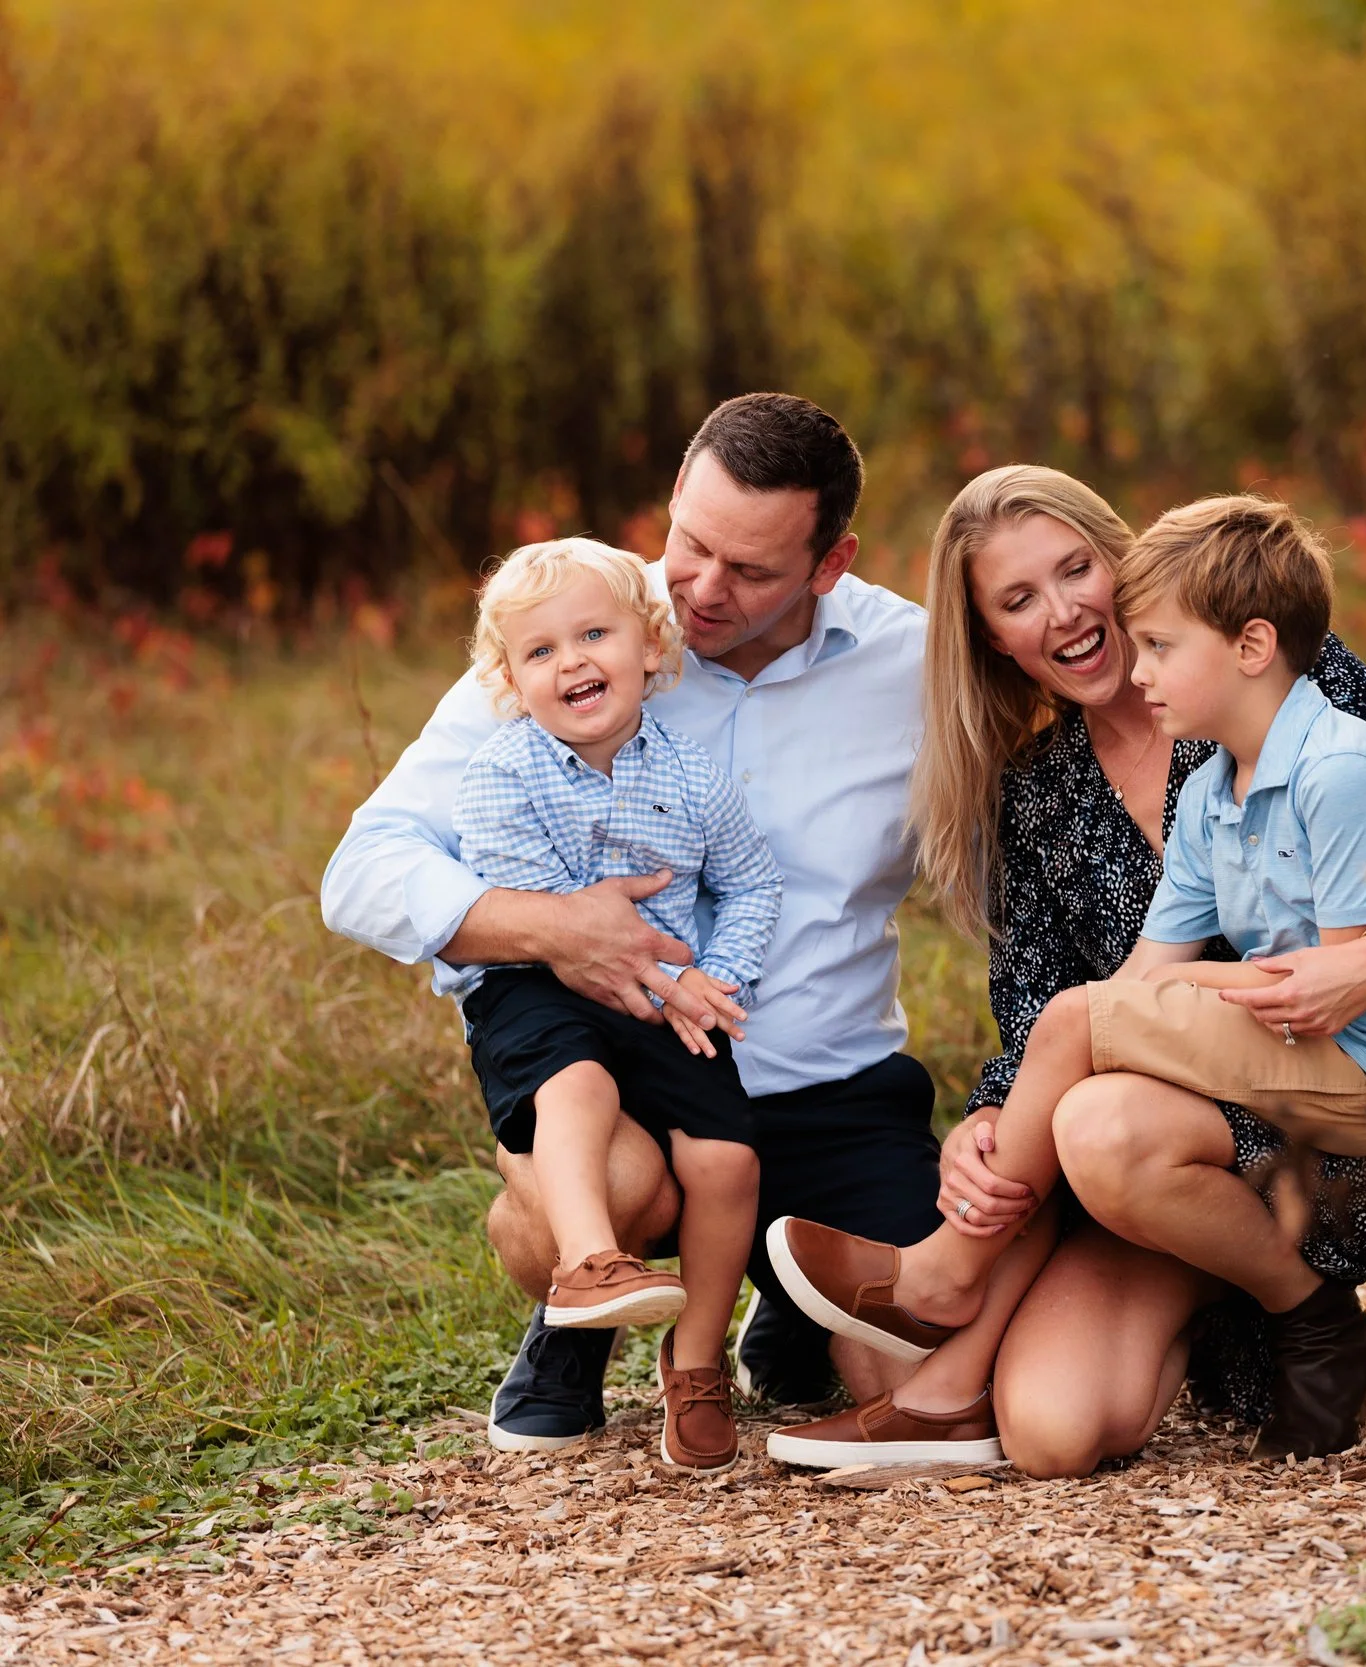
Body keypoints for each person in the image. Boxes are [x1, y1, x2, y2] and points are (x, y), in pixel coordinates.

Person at [761, 467, 1366, 1474]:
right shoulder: (1039, 796)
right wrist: (992, 1123)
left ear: (1121, 561)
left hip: (1325, 1131)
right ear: (991, 640)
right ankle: (1130, 1328)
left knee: (1090, 1107)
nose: (1064, 612)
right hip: (1141, 1155)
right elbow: (1046, 1008)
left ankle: (969, 1290)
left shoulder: (1268, 682)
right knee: (1050, 1429)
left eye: (1076, 569)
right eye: (1016, 600)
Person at [323, 393, 967, 1452]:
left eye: (751, 570)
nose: (702, 590)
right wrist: (550, 927)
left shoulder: (917, 667)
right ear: (672, 497)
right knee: (602, 1174)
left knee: (920, 1372)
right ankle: (576, 1296)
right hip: (631, 1090)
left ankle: (791, 1303)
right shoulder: (571, 638)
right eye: (690, 543)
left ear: (830, 562)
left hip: (829, 1086)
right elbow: (362, 870)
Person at [450, 536, 780, 1473]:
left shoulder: (693, 775)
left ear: (650, 650)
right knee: (581, 1085)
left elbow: (753, 884)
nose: (574, 662)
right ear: (512, 681)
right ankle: (589, 1261)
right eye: (542, 652)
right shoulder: (502, 775)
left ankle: (698, 1357)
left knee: (728, 1157)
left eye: (593, 633)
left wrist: (719, 977)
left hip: (669, 1000)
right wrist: (666, 981)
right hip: (540, 989)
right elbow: (556, 922)